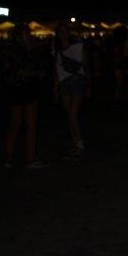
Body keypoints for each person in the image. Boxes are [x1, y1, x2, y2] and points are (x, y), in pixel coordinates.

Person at [2, 23, 48, 169]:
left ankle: (23, 159)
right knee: (22, 124)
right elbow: (17, 70)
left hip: (23, 88)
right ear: (18, 36)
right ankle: (23, 159)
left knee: (25, 124)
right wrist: (36, 73)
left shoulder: (26, 49)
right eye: (26, 34)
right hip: (20, 89)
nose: (29, 36)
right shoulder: (15, 51)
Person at [53, 23, 91, 159]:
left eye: (65, 31)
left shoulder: (78, 47)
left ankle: (80, 143)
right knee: (69, 115)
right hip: (65, 84)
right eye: (60, 31)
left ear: (69, 33)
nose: (63, 34)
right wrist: (55, 89)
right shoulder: (57, 51)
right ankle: (75, 143)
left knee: (72, 114)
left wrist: (88, 84)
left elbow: (86, 66)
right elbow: (57, 71)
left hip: (77, 81)